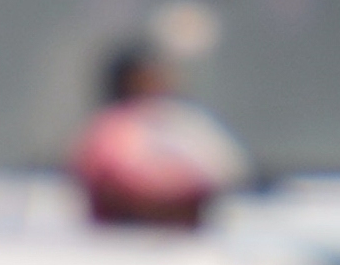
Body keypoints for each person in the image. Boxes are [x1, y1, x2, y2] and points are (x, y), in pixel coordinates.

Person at [69, 17, 246, 231]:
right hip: (121, 248)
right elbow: (126, 184)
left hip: (185, 249)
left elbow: (229, 170)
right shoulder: (110, 129)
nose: (158, 85)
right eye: (147, 78)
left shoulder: (184, 122)